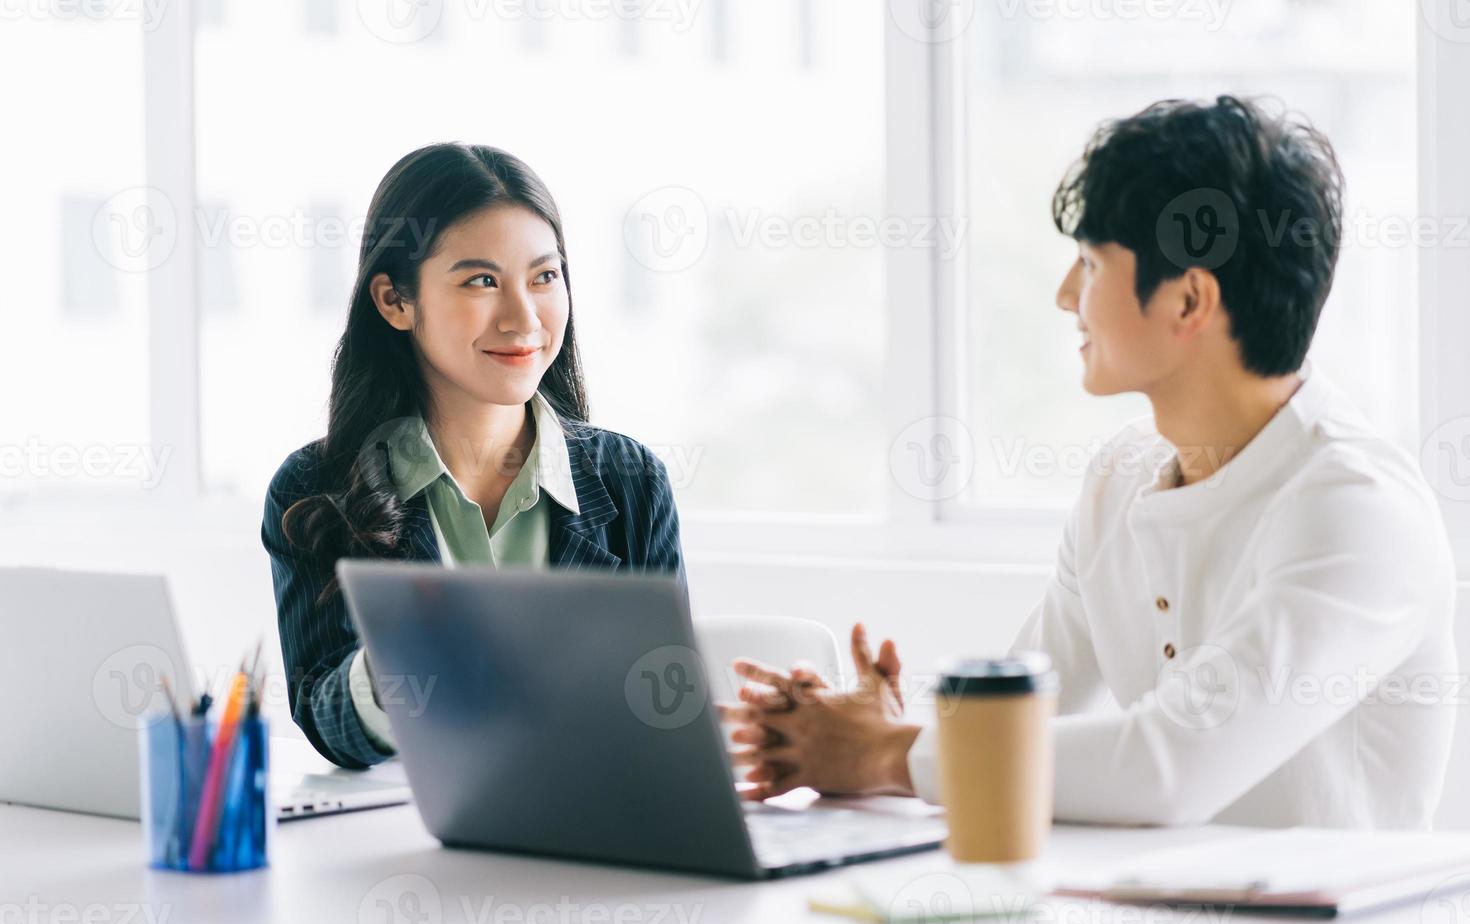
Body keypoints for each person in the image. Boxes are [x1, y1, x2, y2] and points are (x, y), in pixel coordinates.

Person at [723, 96, 1458, 829]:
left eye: (1090, 263)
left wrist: (888, 754)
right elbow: (1027, 714)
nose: (1065, 295)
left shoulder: (1358, 507)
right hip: (1156, 922)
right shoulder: (1120, 477)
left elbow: (1167, 767)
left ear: (1188, 301)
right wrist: (888, 729)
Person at [262, 144, 684, 769]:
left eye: (544, 277)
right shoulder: (315, 486)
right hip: (409, 838)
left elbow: (664, 706)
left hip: (596, 832)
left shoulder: (630, 481)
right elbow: (324, 719)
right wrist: (402, 657)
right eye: (482, 281)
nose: (523, 319)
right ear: (395, 302)